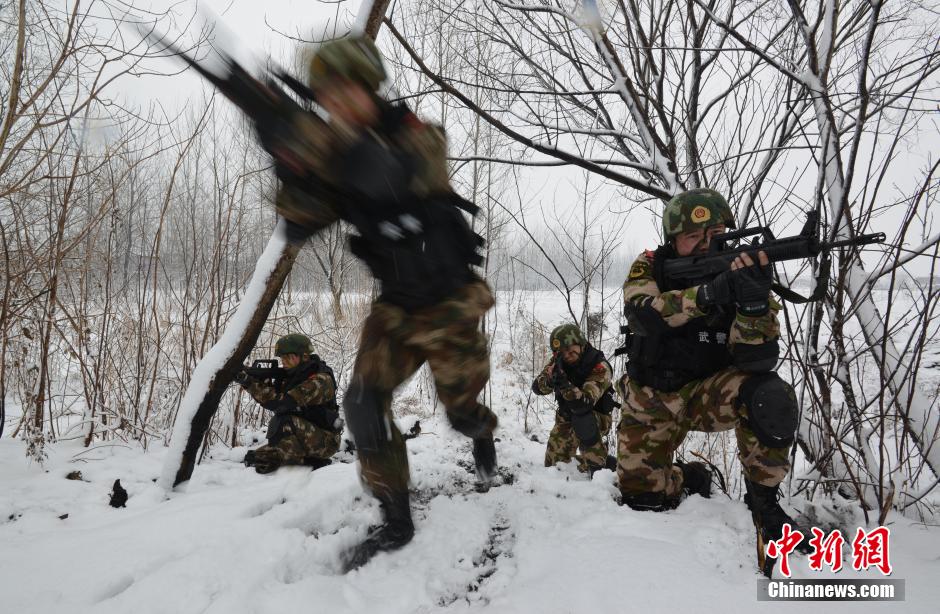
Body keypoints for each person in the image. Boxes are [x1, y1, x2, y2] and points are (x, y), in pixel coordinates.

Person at [265, 35, 499, 568]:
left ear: (372, 90)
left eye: (348, 91)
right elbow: (298, 224)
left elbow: (397, 178)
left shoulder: (416, 137)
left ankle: (480, 431)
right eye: (329, 95)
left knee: (460, 412)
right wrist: (291, 163)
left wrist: (324, 154)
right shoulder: (333, 155)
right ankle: (396, 515)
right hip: (396, 309)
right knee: (363, 403)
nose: (338, 104)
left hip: (450, 306)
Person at [616, 188, 803, 546]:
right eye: (693, 236)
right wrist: (706, 295)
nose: (706, 245)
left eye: (715, 234)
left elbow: (758, 360)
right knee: (642, 500)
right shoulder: (650, 264)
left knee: (769, 394)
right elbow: (643, 314)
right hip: (650, 398)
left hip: (706, 395)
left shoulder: (741, 270)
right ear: (673, 240)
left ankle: (764, 505)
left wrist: (753, 305)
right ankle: (687, 478)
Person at [236, 334, 342, 474]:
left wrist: (249, 382)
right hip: (307, 434)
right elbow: (272, 396)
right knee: (257, 457)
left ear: (304, 356)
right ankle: (304, 459)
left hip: (326, 442)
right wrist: (258, 382)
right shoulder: (292, 376)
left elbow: (280, 403)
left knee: (283, 421)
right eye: (282, 358)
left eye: (288, 357)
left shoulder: (320, 380)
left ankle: (313, 461)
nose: (283, 361)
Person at [532, 324, 617, 475]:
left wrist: (565, 385)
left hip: (594, 418)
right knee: (554, 469)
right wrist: (550, 381)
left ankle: (600, 465)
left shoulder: (600, 366)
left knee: (583, 420)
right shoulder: (558, 362)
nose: (567, 355)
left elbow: (584, 403)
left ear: (580, 344)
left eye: (570, 349)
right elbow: (537, 388)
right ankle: (593, 464)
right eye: (561, 352)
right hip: (566, 417)